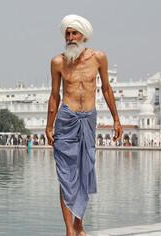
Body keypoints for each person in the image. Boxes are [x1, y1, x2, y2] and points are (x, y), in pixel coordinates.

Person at [45, 14, 123, 236]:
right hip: (66, 120)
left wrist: (116, 119)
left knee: (84, 172)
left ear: (83, 36)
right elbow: (54, 95)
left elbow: (107, 89)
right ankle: (70, 229)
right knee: (66, 175)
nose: (70, 37)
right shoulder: (58, 62)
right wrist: (49, 126)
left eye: (74, 33)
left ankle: (80, 225)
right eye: (67, 34)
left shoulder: (98, 58)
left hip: (88, 119)